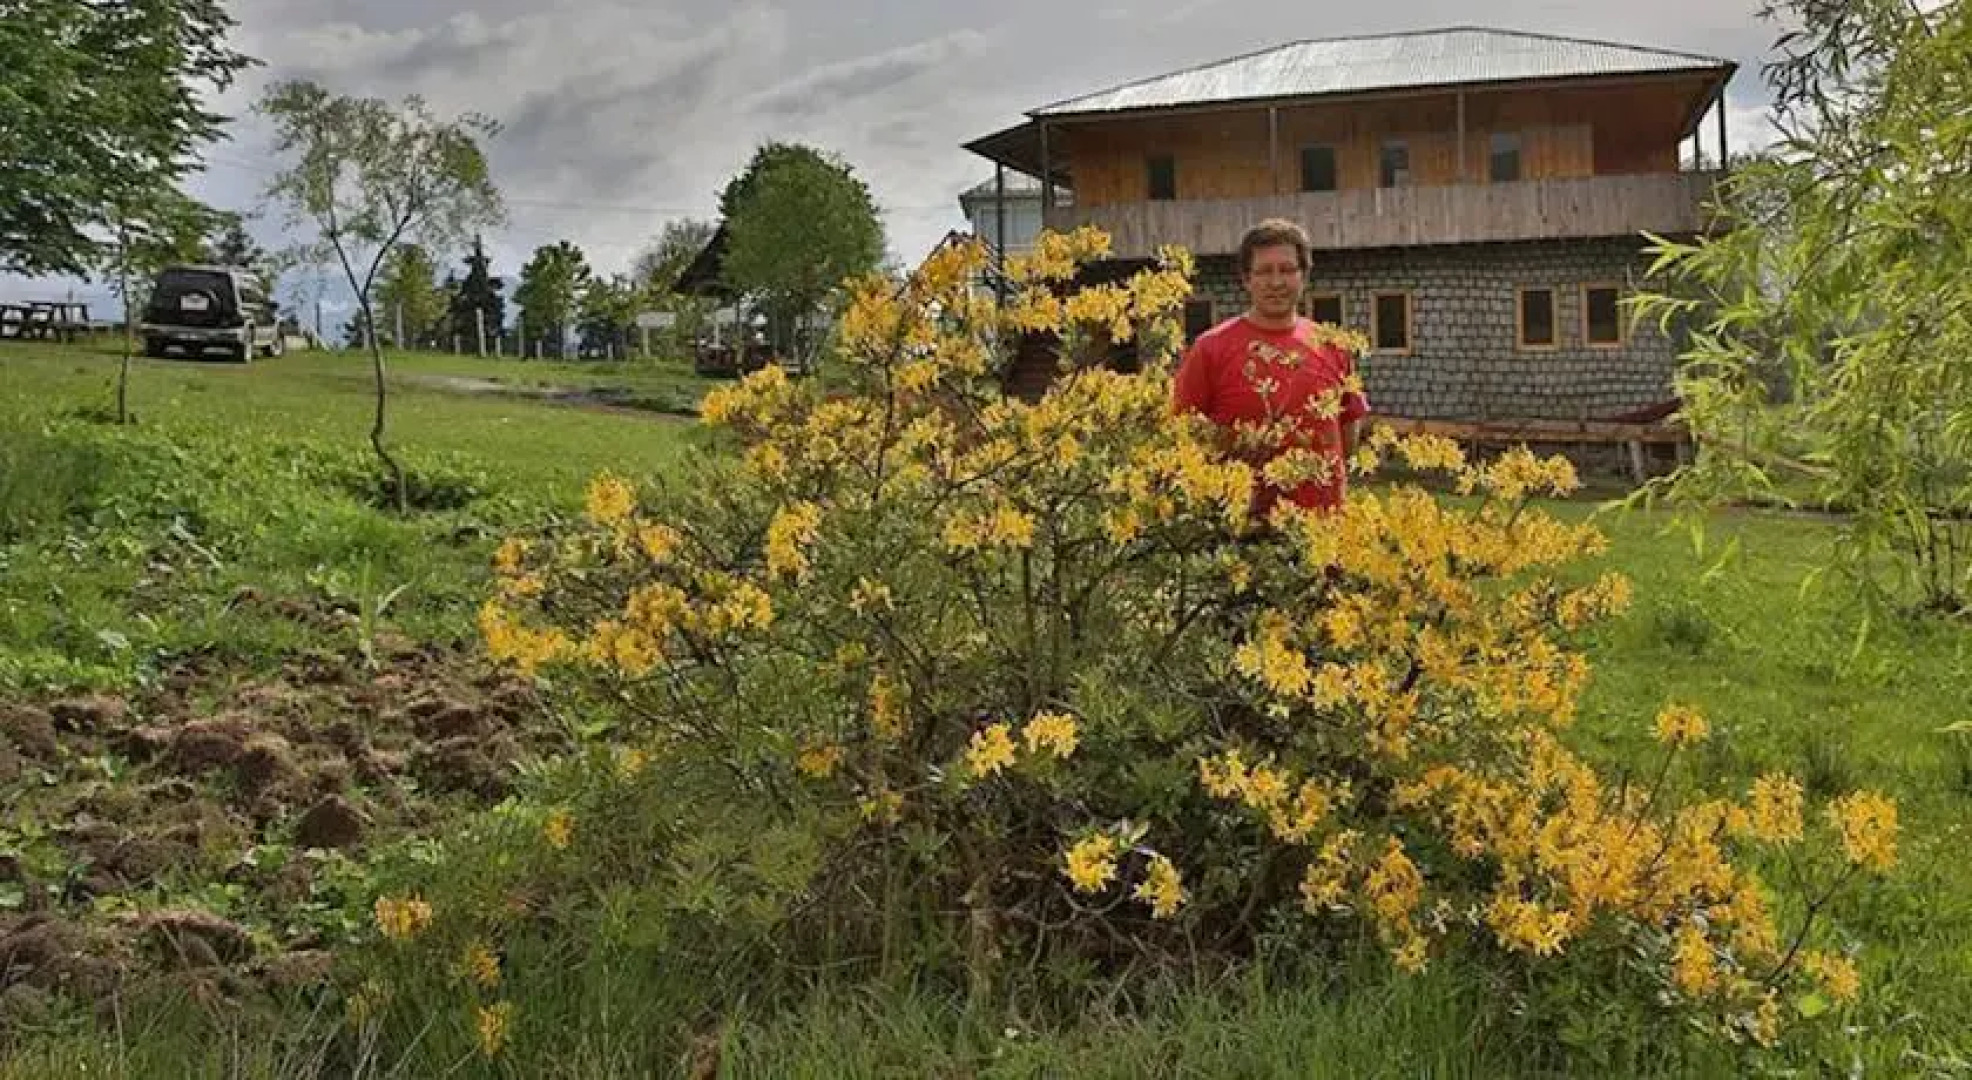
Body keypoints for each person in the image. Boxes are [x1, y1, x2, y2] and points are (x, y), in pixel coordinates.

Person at [1172, 218, 1370, 516]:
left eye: (1287, 270)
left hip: (1324, 533)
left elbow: (1348, 430)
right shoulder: (1210, 348)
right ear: (1246, 279)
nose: (1276, 282)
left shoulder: (1334, 346)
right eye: (1264, 271)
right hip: (1240, 530)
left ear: (1304, 276)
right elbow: (1181, 436)